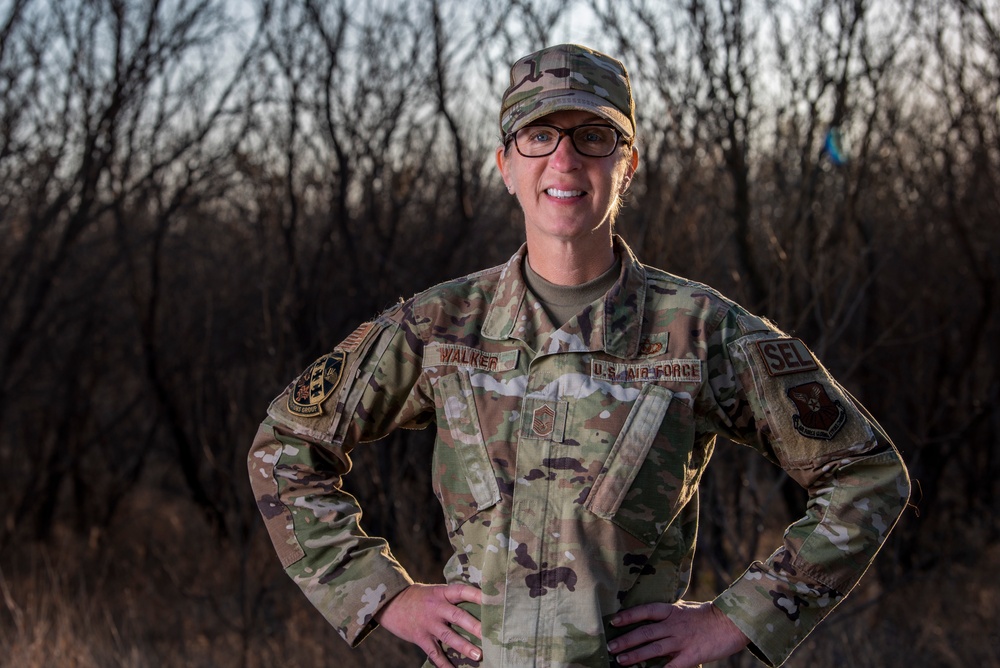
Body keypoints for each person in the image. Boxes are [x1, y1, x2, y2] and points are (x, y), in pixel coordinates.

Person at [249, 43, 910, 668]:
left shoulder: (700, 330)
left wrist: (739, 617)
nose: (564, 162)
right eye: (539, 136)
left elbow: (866, 474)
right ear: (506, 164)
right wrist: (385, 596)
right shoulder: (440, 327)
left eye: (593, 137)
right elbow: (284, 448)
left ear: (628, 163)